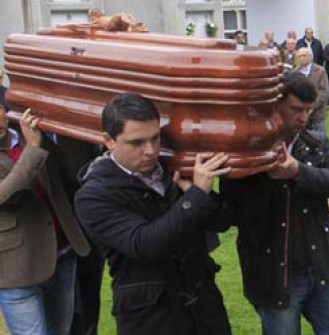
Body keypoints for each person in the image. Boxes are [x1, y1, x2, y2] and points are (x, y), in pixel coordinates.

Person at [74, 93, 232, 334]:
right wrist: (196, 196)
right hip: (151, 319)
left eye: (156, 138)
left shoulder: (175, 168)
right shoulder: (93, 195)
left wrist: (200, 194)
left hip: (205, 310)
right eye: (136, 142)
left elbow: (223, 221)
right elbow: (146, 244)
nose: (150, 151)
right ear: (109, 140)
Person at [219, 72, 329, 334]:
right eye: (296, 110)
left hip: (321, 268)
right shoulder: (245, 150)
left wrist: (297, 172)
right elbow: (234, 211)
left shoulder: (314, 143)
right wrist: (265, 172)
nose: (303, 118)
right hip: (275, 275)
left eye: (308, 110)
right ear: (275, 105)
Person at [0, 109, 91, 335]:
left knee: (61, 330)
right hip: (18, 269)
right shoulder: (31, 140)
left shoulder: (27, 132)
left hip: (61, 253)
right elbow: (6, 196)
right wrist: (32, 147)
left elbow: (67, 170)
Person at [292, 48, 329, 132]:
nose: (301, 58)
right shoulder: (295, 73)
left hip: (317, 114)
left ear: (310, 57)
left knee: (319, 140)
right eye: (299, 56)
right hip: (300, 114)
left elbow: (323, 92)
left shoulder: (320, 71)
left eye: (304, 56)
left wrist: (311, 107)